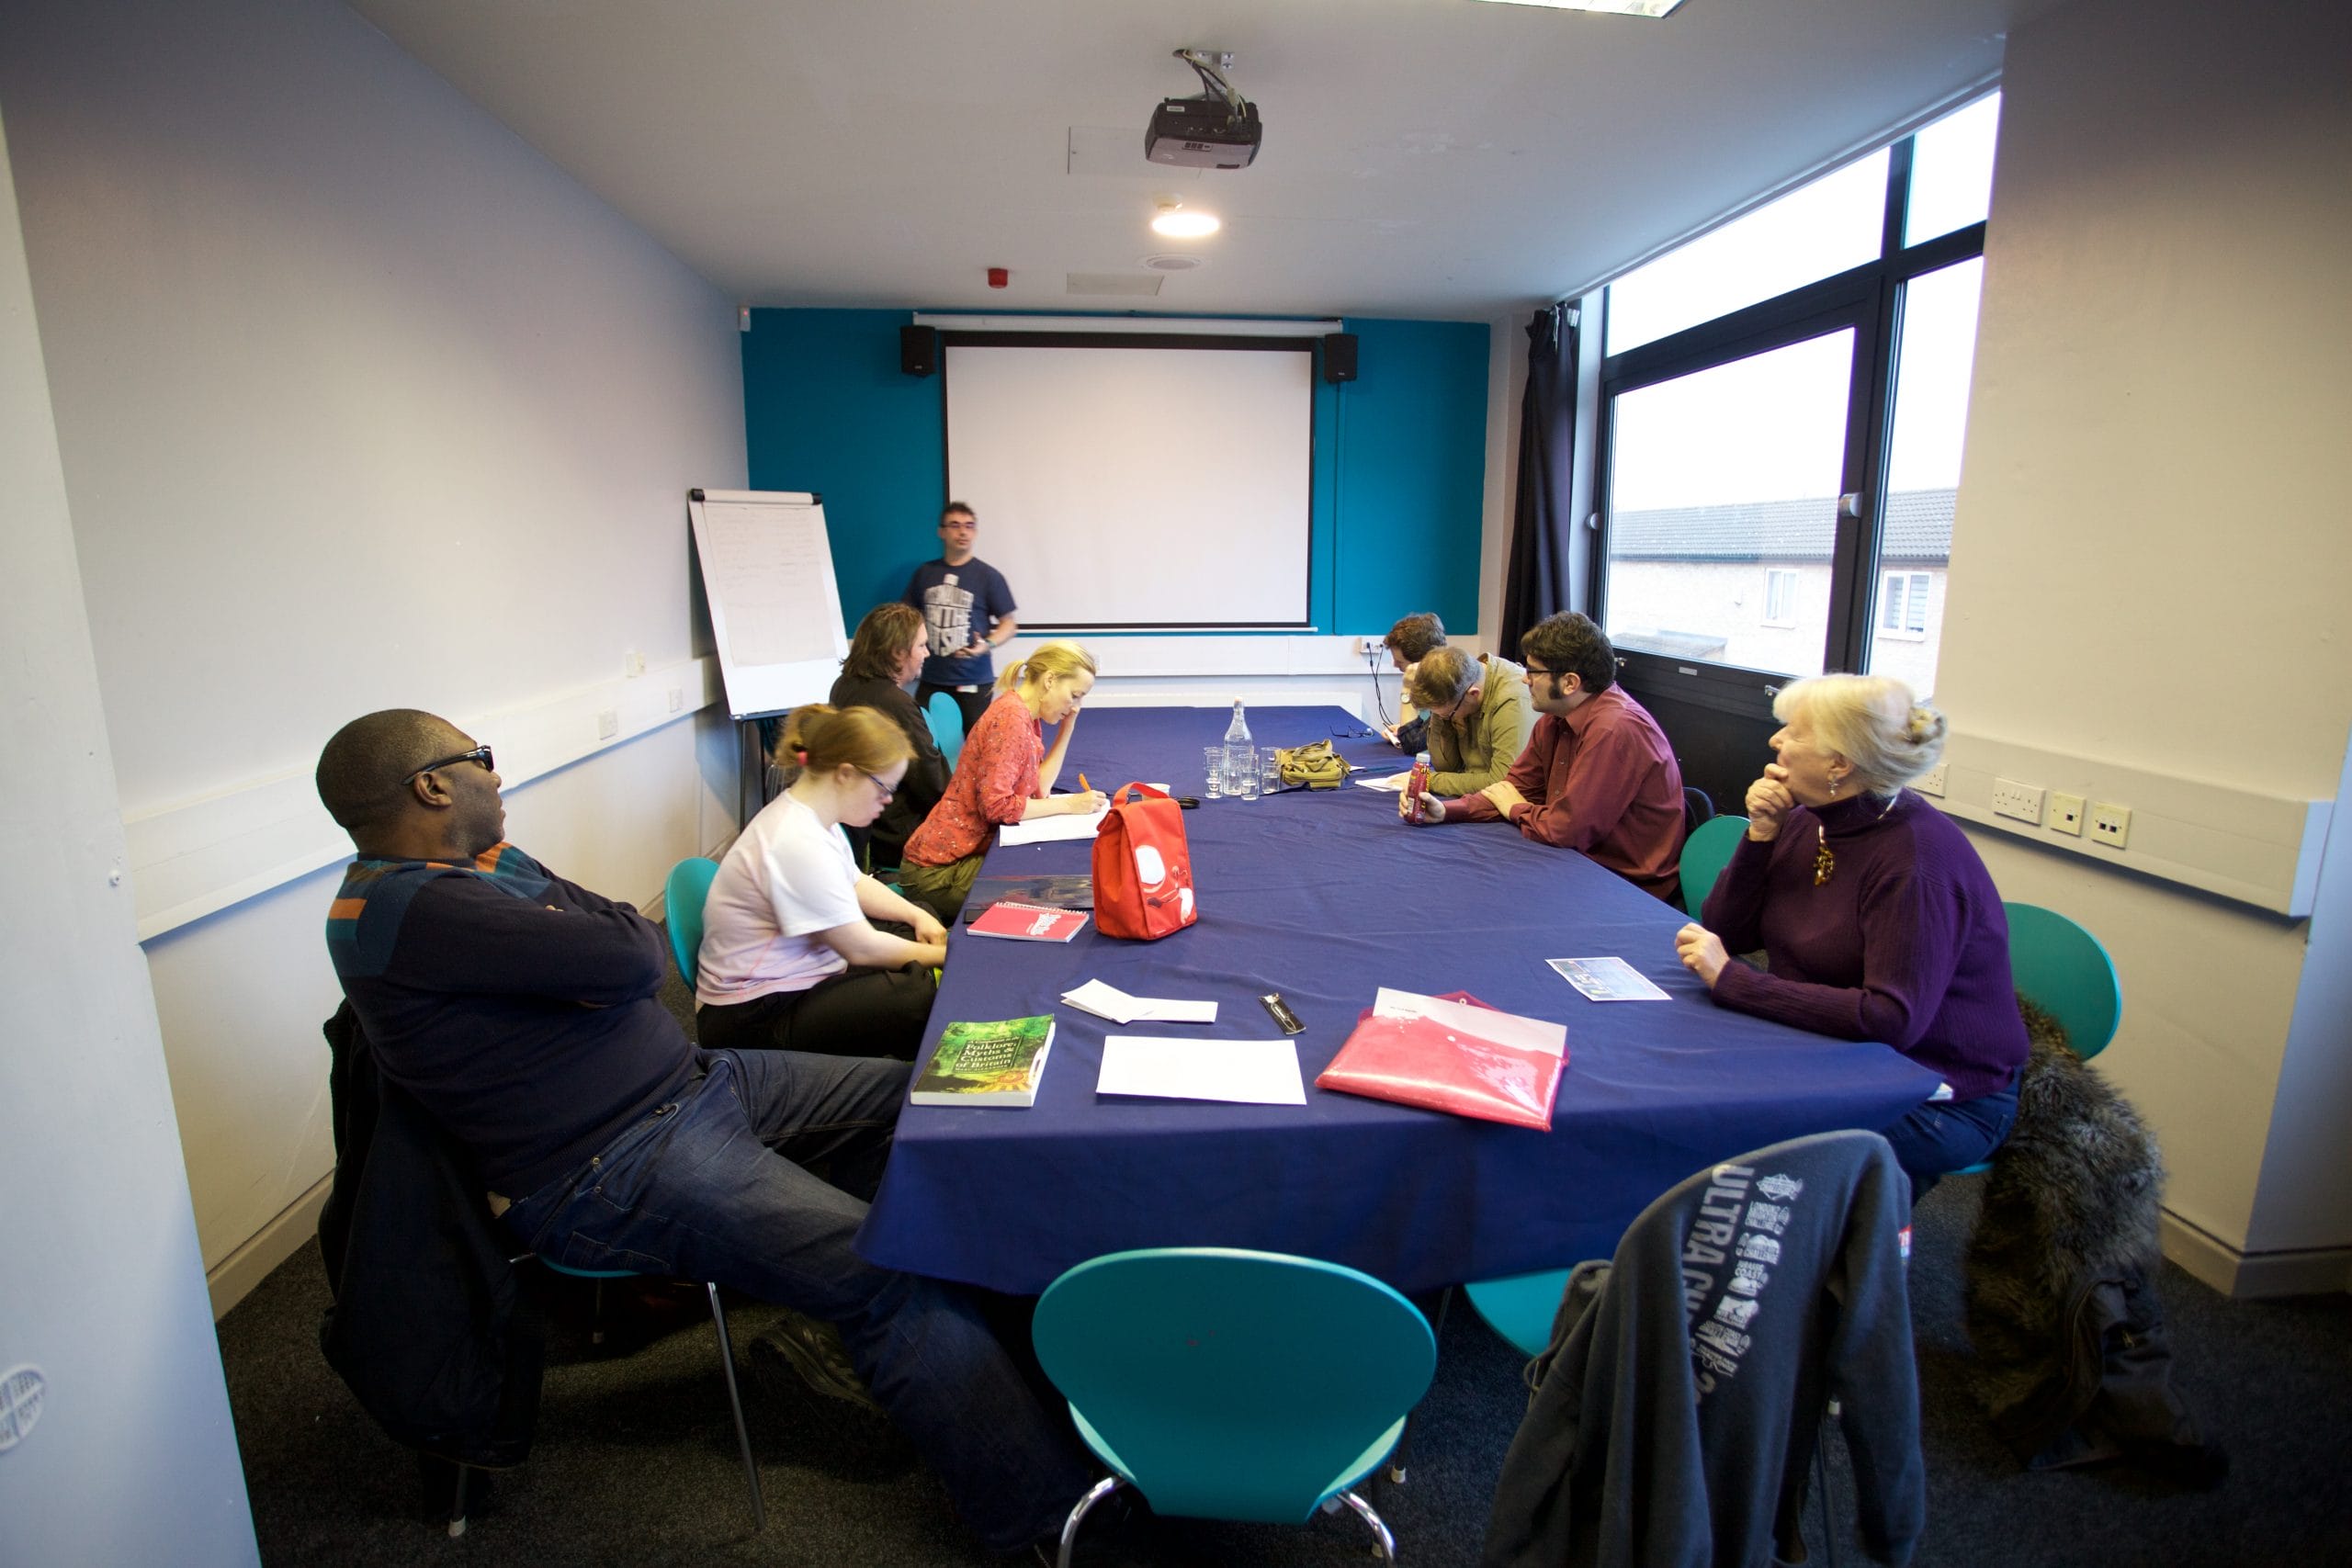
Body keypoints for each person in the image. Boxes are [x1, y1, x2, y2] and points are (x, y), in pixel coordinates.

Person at [312, 708, 1091, 1556]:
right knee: (882, 1275)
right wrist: (576, 923)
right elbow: (632, 954)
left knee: (937, 1098)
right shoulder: (414, 906)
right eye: (480, 759)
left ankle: (978, 1351)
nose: (495, 776)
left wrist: (577, 925)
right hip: (612, 1161)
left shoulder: (469, 872)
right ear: (432, 785)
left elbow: (617, 936)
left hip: (694, 1082)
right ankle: (1047, 1524)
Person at [1671, 674, 2030, 1194]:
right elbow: (1727, 930)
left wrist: (1734, 981)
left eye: (1793, 732)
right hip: (1834, 1051)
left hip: (1934, 1092)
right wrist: (1762, 835)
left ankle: (1849, 1241)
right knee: (1690, 1083)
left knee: (1727, 1126)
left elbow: (1890, 1019)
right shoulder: (1811, 820)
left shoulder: (1915, 863)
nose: (1775, 740)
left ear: (1839, 763)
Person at [695, 705, 946, 1060]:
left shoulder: (815, 818)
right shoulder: (795, 841)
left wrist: (916, 916)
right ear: (846, 774)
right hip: (753, 1014)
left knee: (917, 920)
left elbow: (855, 883)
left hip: (795, 977)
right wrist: (949, 956)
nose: (888, 800)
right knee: (915, 996)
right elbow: (861, 949)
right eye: (883, 789)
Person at [1405, 612, 1686, 904]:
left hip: (1627, 888)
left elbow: (1567, 829)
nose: (1525, 678)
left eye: (1534, 671)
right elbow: (1512, 788)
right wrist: (1447, 810)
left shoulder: (1614, 729)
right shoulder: (1555, 719)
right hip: (1575, 863)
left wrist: (1516, 809)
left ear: (1570, 683)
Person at [899, 641, 1105, 925]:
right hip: (935, 873)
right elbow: (997, 807)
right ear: (1050, 680)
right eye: (1075, 695)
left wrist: (1067, 727)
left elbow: (1039, 790)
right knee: (1054, 892)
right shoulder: (1011, 720)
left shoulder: (1024, 714)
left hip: (955, 859)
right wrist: (1070, 804)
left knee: (1063, 887)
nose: (1076, 706)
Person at [828, 602, 949, 871]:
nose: (927, 653)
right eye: (921, 646)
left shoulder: (842, 686)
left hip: (865, 834)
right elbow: (933, 784)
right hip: (898, 840)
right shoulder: (895, 703)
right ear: (897, 652)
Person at [904, 500, 1017, 737]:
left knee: (977, 746)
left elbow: (1009, 624)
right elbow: (906, 618)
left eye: (969, 525)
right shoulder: (925, 574)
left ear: (975, 532)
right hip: (932, 679)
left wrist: (987, 644)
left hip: (974, 681)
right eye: (955, 525)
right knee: (927, 743)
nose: (963, 532)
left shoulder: (988, 576)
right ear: (942, 532)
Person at [1396, 644, 1532, 805]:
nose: (1443, 718)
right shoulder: (1458, 692)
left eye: (1447, 714)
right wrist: (1444, 718)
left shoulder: (1512, 700)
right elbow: (1444, 766)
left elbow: (1503, 784)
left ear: (1473, 694)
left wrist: (1428, 780)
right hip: (1475, 799)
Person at [1379, 610, 1448, 750]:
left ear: (1422, 663)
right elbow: (1424, 731)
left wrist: (1407, 689)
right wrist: (1402, 730)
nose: (1395, 665)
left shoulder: (1447, 690)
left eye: (1400, 661)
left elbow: (1412, 744)